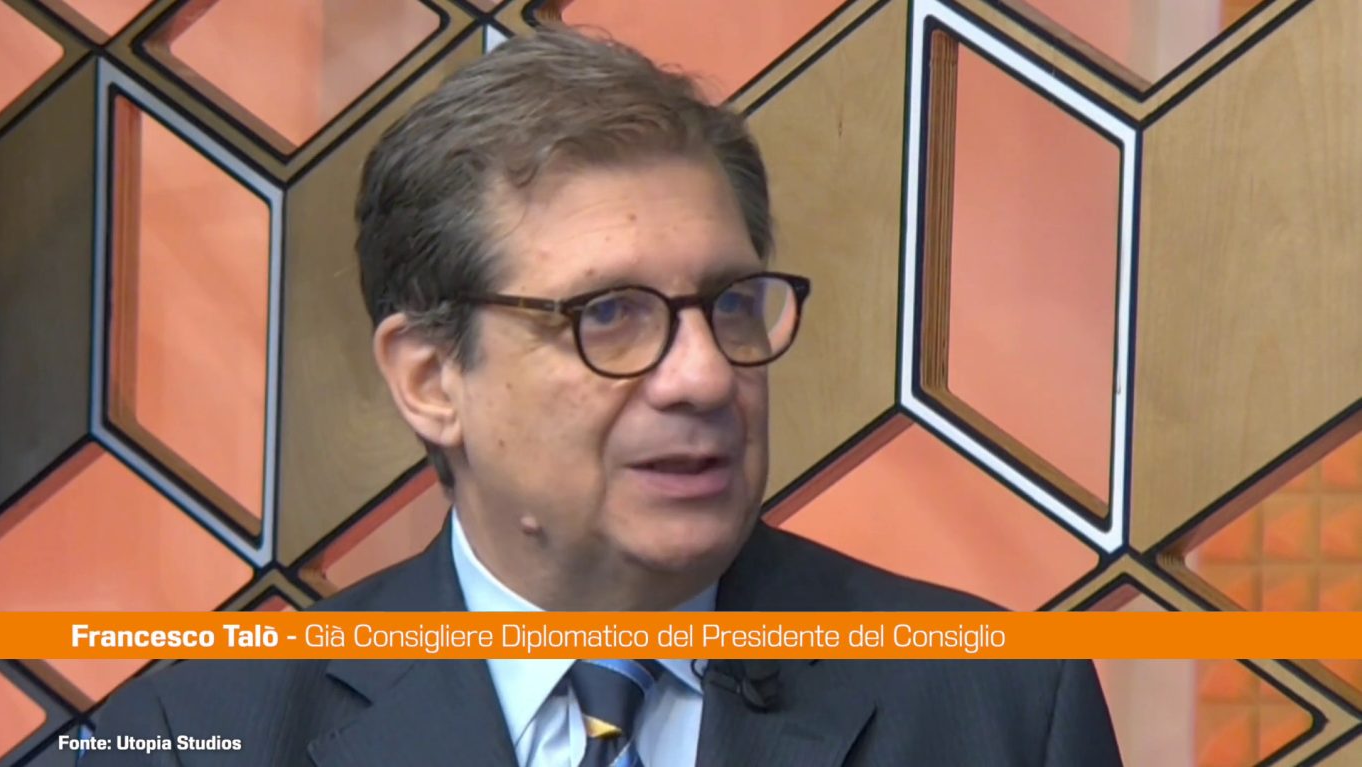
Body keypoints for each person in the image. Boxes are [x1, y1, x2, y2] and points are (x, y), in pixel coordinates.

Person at [86, 26, 1122, 766]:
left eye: (729, 303)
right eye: (610, 314)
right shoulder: (192, 736)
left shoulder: (998, 706)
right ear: (431, 378)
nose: (704, 375)